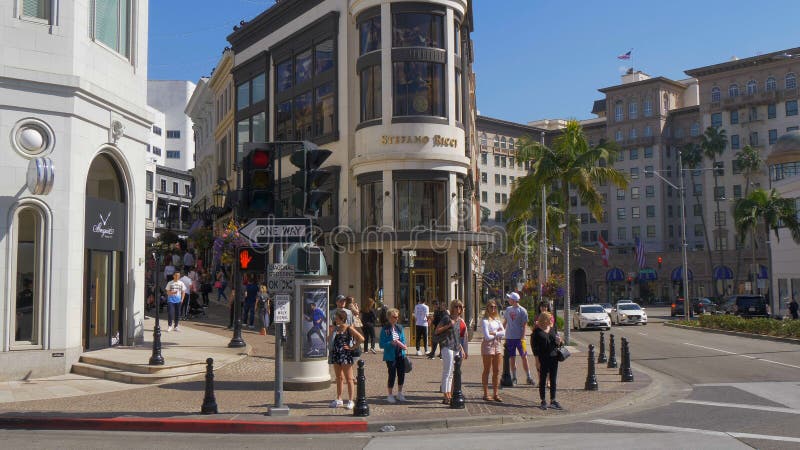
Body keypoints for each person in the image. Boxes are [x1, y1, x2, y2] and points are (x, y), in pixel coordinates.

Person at [328, 310, 364, 409]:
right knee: (339, 378)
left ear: (341, 318)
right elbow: (329, 340)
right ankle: (339, 399)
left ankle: (351, 400)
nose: (334, 319)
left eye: (336, 318)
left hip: (345, 355)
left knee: (349, 379)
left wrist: (352, 347)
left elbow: (361, 338)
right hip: (336, 355)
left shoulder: (349, 328)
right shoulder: (336, 328)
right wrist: (332, 331)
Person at [435, 300, 468, 405]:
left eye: (460, 307)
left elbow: (457, 337)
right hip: (447, 346)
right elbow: (437, 331)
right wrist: (449, 325)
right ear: (452, 307)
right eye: (456, 306)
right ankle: (445, 395)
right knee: (447, 371)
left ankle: (449, 393)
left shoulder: (459, 320)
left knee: (452, 372)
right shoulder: (447, 318)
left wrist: (462, 349)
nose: (458, 309)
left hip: (455, 347)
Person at [532, 311, 562, 410]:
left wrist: (559, 342)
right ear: (544, 319)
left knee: (553, 379)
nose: (551, 320)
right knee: (543, 380)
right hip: (543, 358)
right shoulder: (536, 332)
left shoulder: (552, 329)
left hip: (554, 357)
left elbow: (558, 343)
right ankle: (543, 400)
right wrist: (537, 361)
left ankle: (553, 400)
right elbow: (535, 348)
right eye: (549, 319)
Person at [504, 292, 534, 385]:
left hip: (519, 338)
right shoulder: (508, 310)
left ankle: (528, 377)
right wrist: (500, 332)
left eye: (509, 299)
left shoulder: (522, 310)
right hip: (509, 337)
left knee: (524, 357)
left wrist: (522, 337)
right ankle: (514, 377)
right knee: (512, 358)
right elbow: (505, 322)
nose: (508, 300)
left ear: (514, 300)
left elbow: (525, 325)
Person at [379, 308, 407, 403]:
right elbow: (381, 344)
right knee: (392, 374)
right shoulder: (385, 329)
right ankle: (390, 394)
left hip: (400, 354)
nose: (396, 318)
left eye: (397, 317)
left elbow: (403, 339)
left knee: (401, 374)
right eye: (394, 317)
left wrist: (402, 344)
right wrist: (390, 343)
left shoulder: (400, 327)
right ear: (389, 317)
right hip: (390, 355)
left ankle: (399, 393)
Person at [481, 299, 505, 402]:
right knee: (487, 370)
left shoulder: (498, 320)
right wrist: (497, 333)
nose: (493, 308)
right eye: (491, 306)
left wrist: (493, 333)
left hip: (498, 345)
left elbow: (504, 333)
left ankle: (496, 393)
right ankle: (486, 393)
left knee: (497, 370)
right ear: (487, 308)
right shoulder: (485, 321)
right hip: (488, 346)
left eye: (495, 307)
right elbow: (486, 336)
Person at [533, 301, 555, 380]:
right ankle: (540, 379)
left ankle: (548, 380)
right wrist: (536, 325)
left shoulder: (550, 316)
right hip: (537, 341)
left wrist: (540, 324)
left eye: (545, 306)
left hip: (546, 341)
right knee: (538, 362)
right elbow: (534, 329)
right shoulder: (536, 316)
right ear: (539, 308)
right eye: (542, 306)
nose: (543, 308)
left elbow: (550, 326)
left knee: (548, 362)